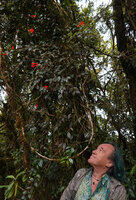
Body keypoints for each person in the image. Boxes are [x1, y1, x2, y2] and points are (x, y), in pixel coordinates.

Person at [60, 143, 127, 200]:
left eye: (101, 150)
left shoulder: (118, 190)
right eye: (96, 149)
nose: (94, 151)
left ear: (109, 163)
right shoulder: (80, 174)